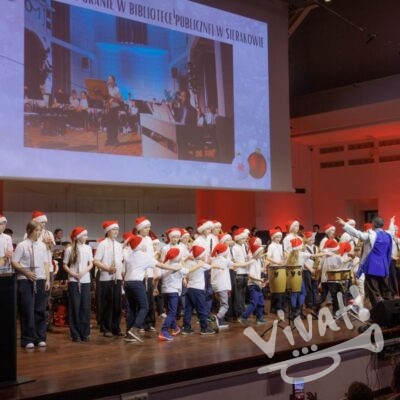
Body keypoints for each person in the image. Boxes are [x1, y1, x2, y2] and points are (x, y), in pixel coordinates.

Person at [337, 216, 393, 308]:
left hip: (372, 266)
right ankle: (389, 310)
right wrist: (391, 222)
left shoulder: (372, 234)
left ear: (373, 224)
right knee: (386, 290)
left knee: (373, 291)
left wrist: (344, 224)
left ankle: (378, 311)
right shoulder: (388, 235)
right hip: (384, 266)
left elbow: (358, 234)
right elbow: (389, 250)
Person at [11, 220, 50, 348]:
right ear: (29, 231)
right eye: (36, 230)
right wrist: (26, 272)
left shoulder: (42, 246)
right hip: (25, 280)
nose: (39, 233)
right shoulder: (22, 245)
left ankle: (40, 337)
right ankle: (27, 339)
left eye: (40, 230)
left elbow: (45, 263)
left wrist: (47, 279)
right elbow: (14, 262)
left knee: (40, 309)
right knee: (27, 309)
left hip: (40, 279)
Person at [93, 220, 124, 337]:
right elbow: (96, 261)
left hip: (117, 277)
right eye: (114, 229)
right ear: (108, 231)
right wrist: (107, 268)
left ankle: (116, 327)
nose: (116, 231)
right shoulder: (103, 244)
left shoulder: (119, 245)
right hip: (106, 278)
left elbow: (121, 261)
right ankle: (106, 328)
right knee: (107, 304)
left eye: (117, 229)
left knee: (117, 303)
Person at [63, 226, 93, 342]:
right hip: (74, 280)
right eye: (84, 235)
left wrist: (84, 272)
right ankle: (75, 334)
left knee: (85, 307)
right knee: (75, 307)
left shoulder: (88, 248)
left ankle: (85, 333)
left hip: (85, 280)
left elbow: (91, 263)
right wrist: (73, 274)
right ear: (78, 237)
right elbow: (65, 265)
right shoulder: (69, 249)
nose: (86, 237)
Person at [239, 244, 267, 325]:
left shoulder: (257, 261)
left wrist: (263, 268)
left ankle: (259, 318)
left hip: (257, 285)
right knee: (254, 302)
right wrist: (259, 280)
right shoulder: (253, 261)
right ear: (257, 254)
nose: (262, 254)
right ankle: (243, 317)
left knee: (261, 302)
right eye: (261, 253)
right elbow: (250, 275)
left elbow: (259, 270)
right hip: (253, 285)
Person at [105, 74, 122, 145]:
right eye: (108, 79)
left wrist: (113, 99)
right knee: (109, 124)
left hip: (115, 108)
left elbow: (119, 99)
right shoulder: (107, 88)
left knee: (114, 124)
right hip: (109, 108)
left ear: (113, 80)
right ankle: (109, 139)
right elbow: (105, 97)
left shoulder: (116, 89)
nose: (109, 80)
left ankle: (115, 140)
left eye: (110, 79)